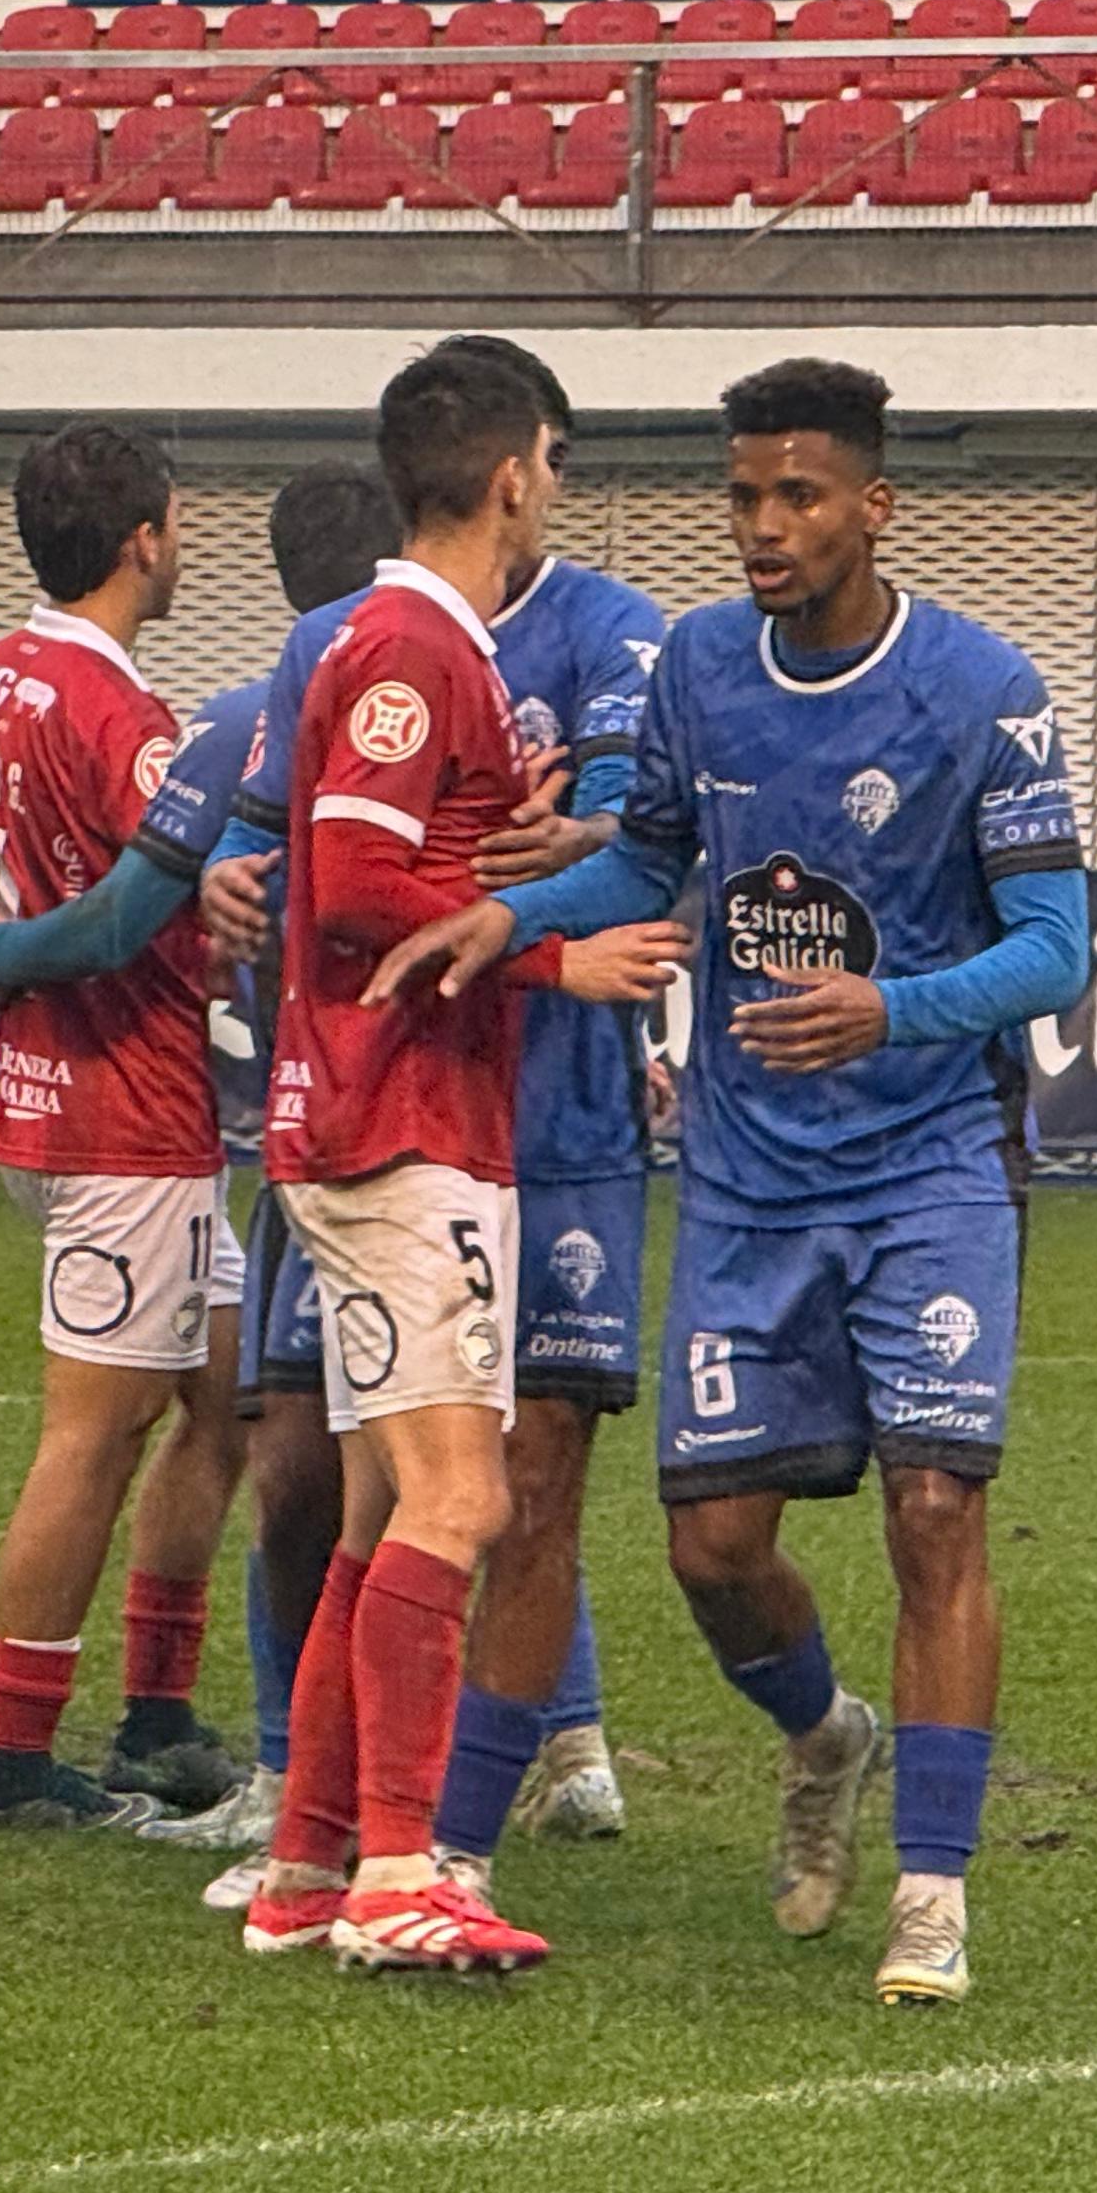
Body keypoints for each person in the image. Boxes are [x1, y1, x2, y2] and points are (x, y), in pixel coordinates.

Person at [382, 358, 1090, 2008]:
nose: (763, 526)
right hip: (751, 1173)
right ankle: (820, 1729)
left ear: (873, 505)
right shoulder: (698, 665)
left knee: (933, 1506)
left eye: (797, 496)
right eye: (742, 497)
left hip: (930, 1164)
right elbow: (650, 857)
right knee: (708, 1543)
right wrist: (519, 919)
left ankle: (930, 1894)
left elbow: (1056, 948)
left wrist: (891, 1007)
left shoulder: (984, 690)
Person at [251, 343, 685, 1976]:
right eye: (551, 463)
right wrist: (534, 952)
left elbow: (391, 852)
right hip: (394, 1118)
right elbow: (357, 886)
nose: (552, 490)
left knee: (377, 1505)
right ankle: (395, 1871)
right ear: (515, 472)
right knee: (462, 1492)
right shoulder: (409, 646)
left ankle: (307, 1859)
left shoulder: (417, 648)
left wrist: (491, 843)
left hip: (392, 1114)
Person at [0, 421, 240, 1833]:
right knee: (94, 1434)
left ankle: (161, 1714)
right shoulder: (122, 717)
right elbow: (144, 900)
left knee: (233, 1397)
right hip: (125, 1107)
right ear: (142, 539)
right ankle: (15, 1759)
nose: (183, 543)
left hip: (52, 1089)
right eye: (177, 521)